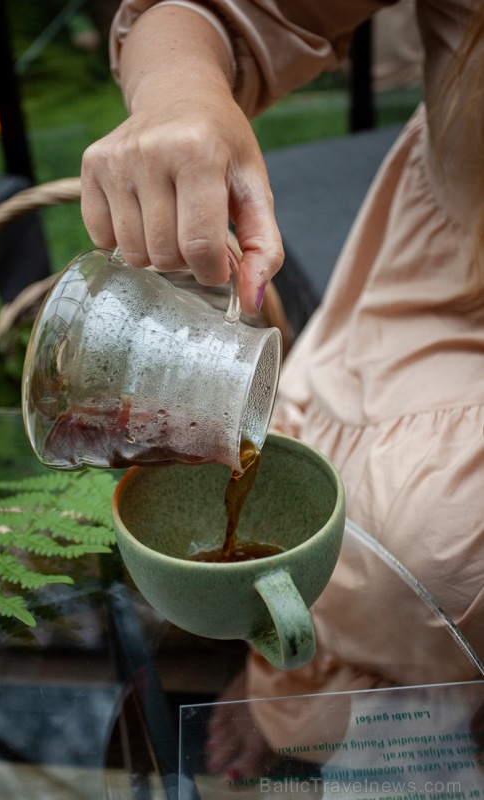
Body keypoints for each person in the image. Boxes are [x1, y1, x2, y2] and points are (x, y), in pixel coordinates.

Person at [81, 0, 484, 780]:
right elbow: (209, 12)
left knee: (429, 545)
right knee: (404, 531)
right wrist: (181, 92)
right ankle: (307, 679)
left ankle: (319, 688)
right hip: (455, 275)